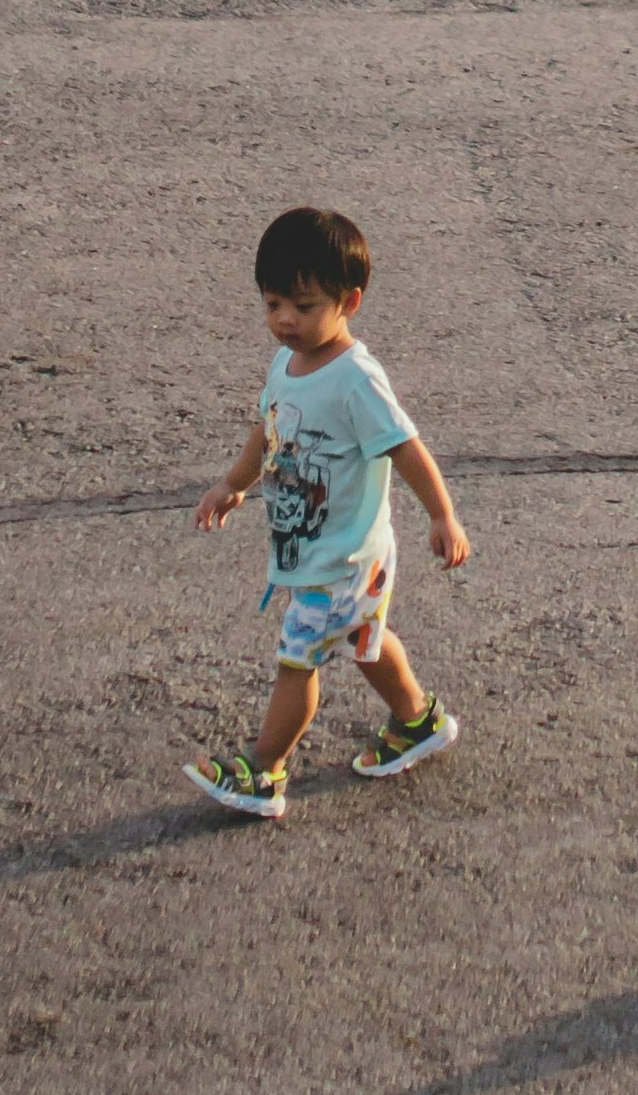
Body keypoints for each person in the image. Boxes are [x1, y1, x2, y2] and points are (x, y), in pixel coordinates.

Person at [188, 204, 468, 819]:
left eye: (305, 306)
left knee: (299, 659)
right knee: (365, 641)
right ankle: (417, 720)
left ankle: (263, 770)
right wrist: (232, 486)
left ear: (350, 301)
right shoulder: (287, 365)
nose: (286, 320)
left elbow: (405, 447)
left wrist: (442, 515)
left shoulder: (355, 379)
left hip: (343, 556)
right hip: (327, 550)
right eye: (272, 305)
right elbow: (267, 433)